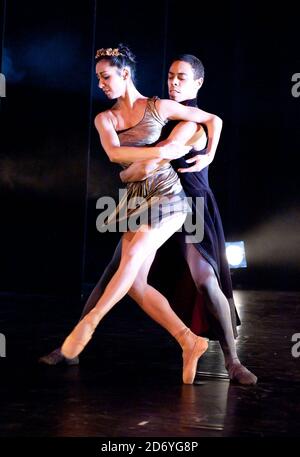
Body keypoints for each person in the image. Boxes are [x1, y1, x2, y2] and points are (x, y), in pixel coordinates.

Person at [40, 49, 256, 385]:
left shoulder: (190, 122)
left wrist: (198, 155)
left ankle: (233, 361)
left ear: (198, 82)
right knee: (116, 270)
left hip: (190, 205)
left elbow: (155, 159)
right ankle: (72, 348)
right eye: (170, 76)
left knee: (204, 280)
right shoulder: (163, 112)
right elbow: (137, 158)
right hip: (151, 202)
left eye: (181, 78)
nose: (173, 83)